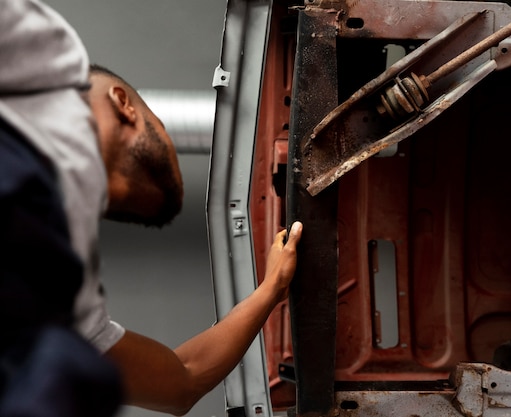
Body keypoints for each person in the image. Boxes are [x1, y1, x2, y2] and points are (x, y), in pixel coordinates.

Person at [0, 0, 303, 415]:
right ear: (124, 104)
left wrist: (271, 290)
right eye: (159, 124)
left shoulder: (70, 299)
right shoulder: (48, 58)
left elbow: (183, 378)